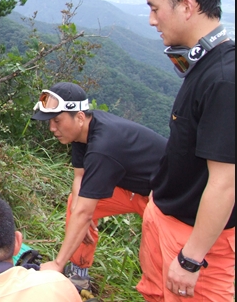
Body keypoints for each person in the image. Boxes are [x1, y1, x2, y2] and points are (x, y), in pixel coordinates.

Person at [136, 0, 235, 302]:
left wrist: (192, 258)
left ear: (187, 6)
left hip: (197, 237)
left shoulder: (225, 79)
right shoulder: (204, 61)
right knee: (155, 288)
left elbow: (225, 184)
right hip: (165, 211)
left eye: (156, 8)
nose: (152, 19)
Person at [32, 83, 165, 281]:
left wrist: (57, 264)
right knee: (75, 205)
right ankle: (79, 273)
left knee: (157, 261)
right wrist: (81, 216)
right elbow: (80, 177)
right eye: (50, 121)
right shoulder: (80, 133)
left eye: (57, 121)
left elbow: (85, 211)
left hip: (164, 195)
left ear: (78, 116)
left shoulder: (103, 146)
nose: (52, 128)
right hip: (132, 188)